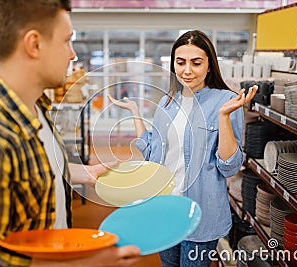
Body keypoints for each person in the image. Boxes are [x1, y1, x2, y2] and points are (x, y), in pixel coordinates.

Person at [0, 0, 141, 266]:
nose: (72, 55)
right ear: (34, 44)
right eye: (67, 41)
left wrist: (85, 173)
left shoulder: (38, 109)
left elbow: (33, 173)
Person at [108, 30, 257, 267]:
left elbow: (229, 166)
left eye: (196, 63)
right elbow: (151, 151)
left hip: (200, 214)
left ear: (209, 66)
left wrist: (223, 116)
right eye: (180, 62)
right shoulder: (168, 102)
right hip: (164, 210)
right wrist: (136, 112)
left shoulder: (225, 102)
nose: (187, 70)